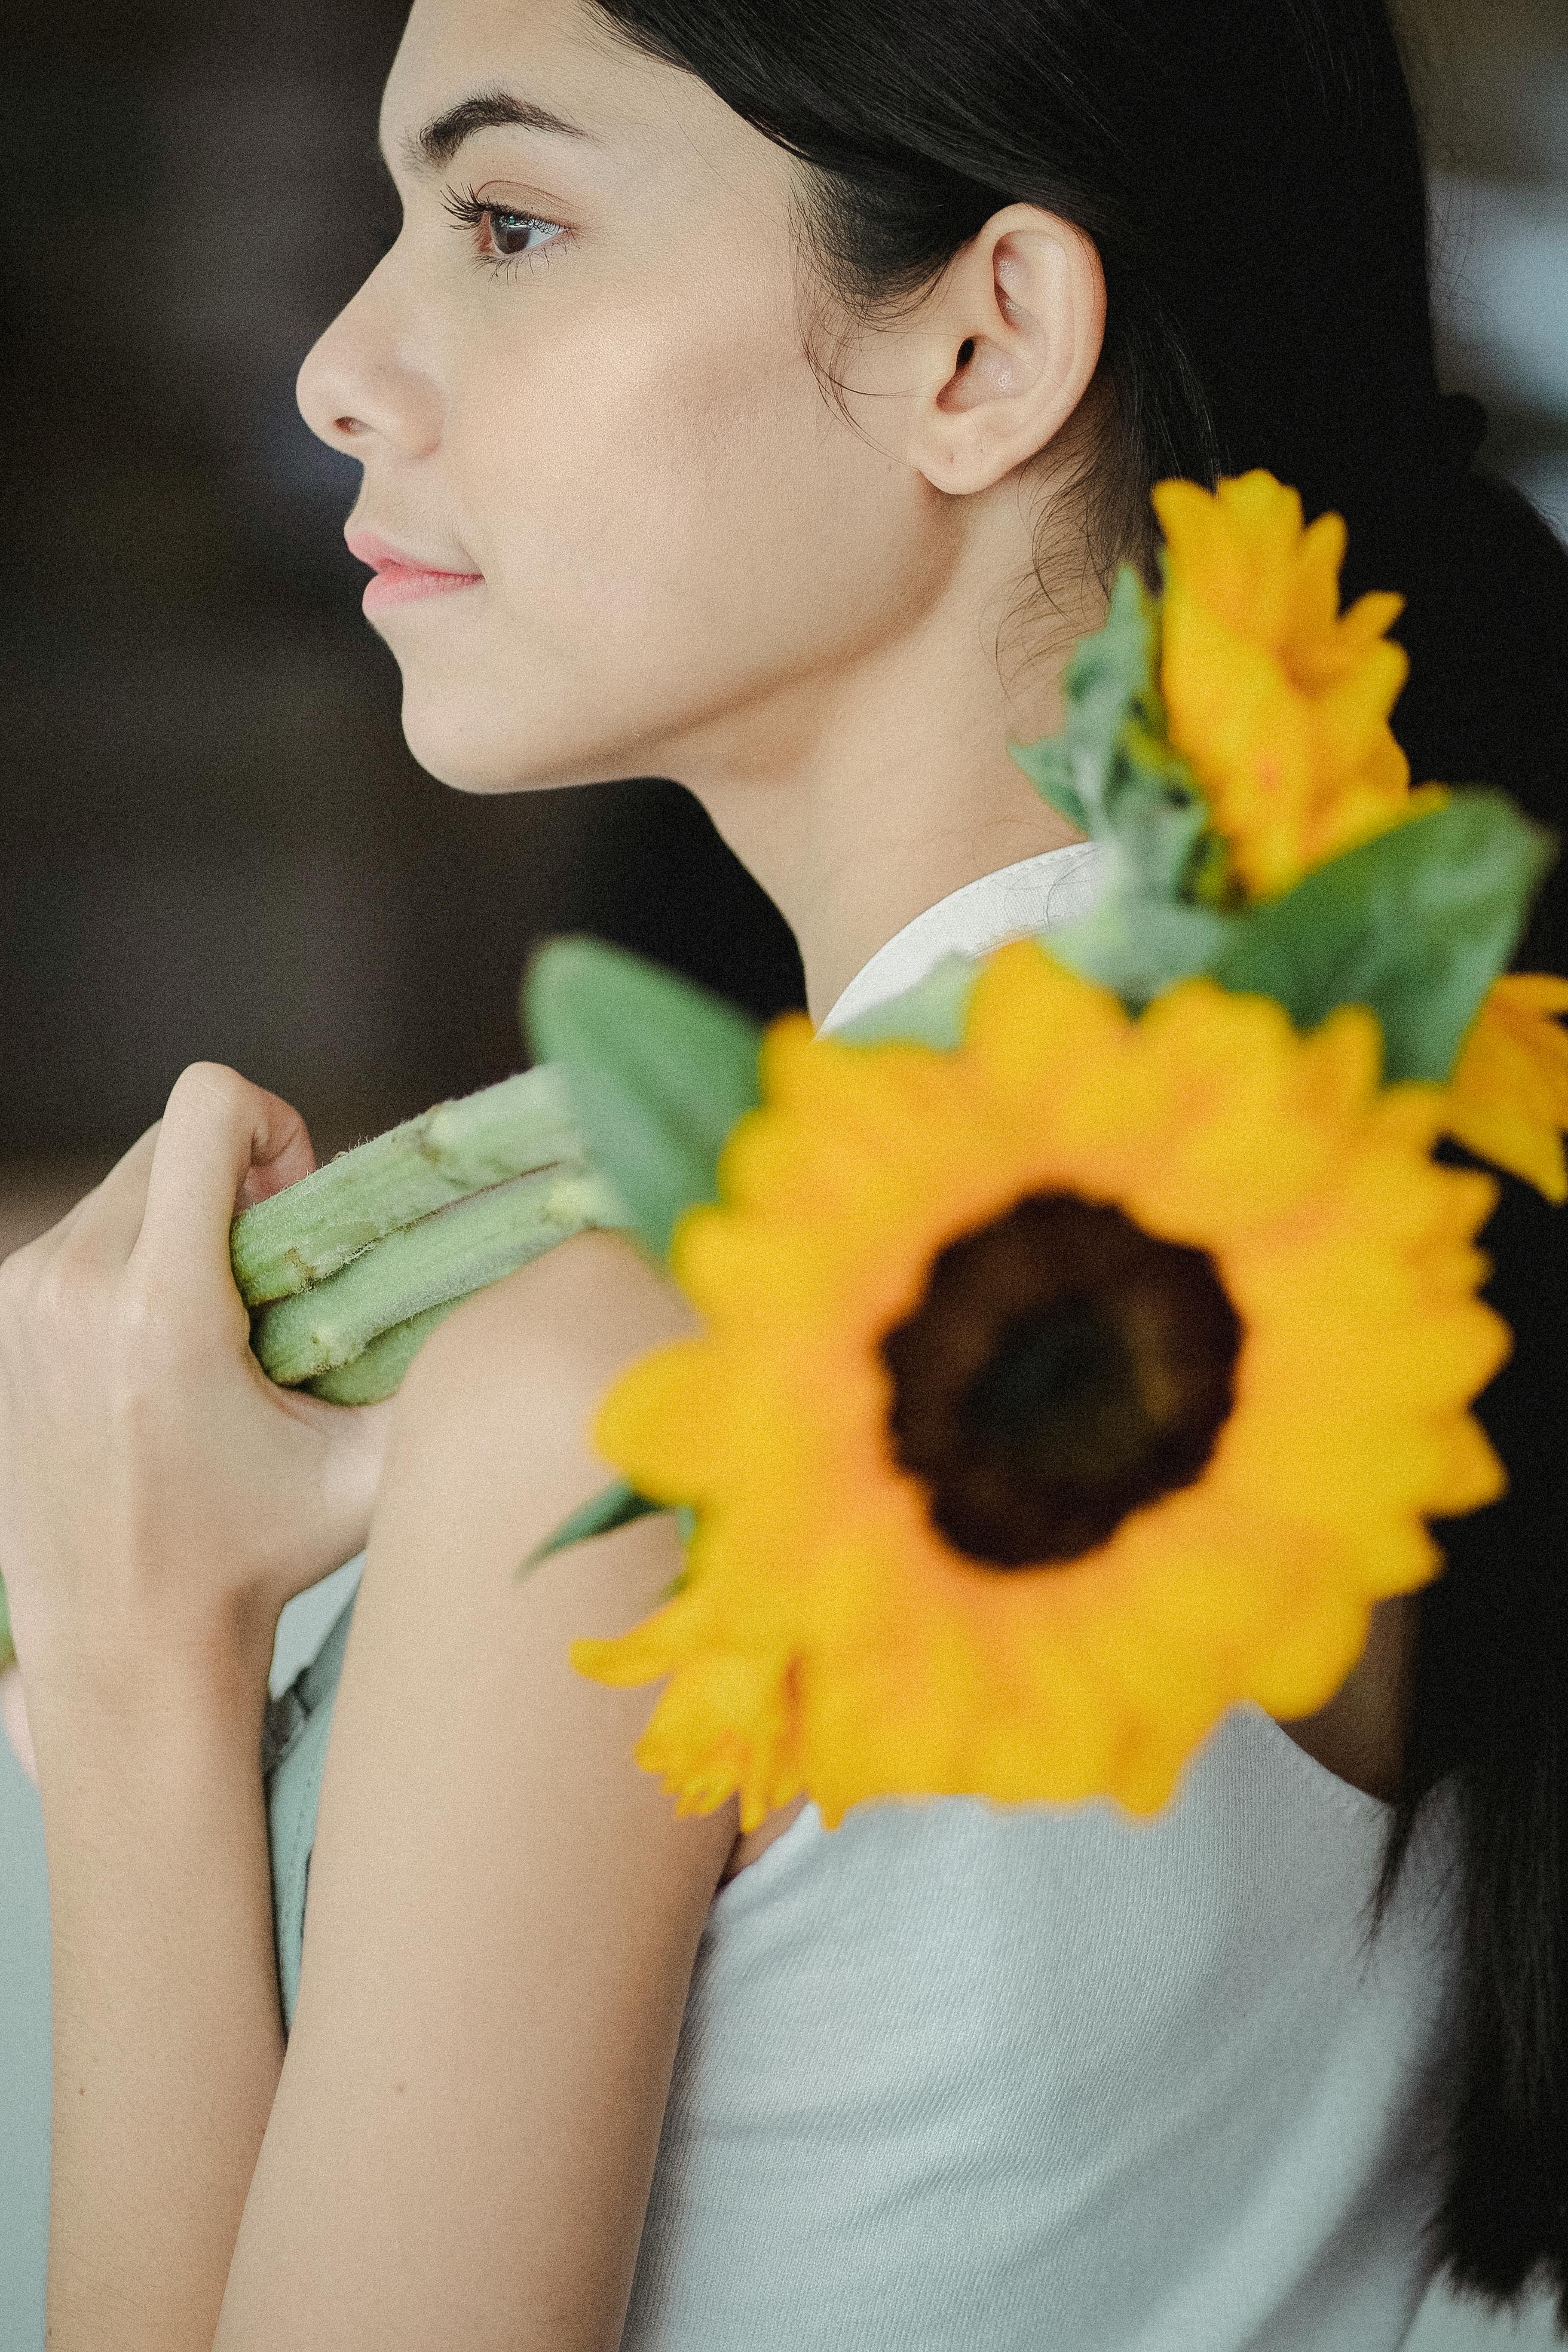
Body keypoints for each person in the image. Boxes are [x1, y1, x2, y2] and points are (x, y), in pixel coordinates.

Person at [1, 0, 1564, 2343]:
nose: (341, 365)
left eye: (508, 218)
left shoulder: (659, 1389)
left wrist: (136, 1672)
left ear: (983, 344)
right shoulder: (1357, 1178)